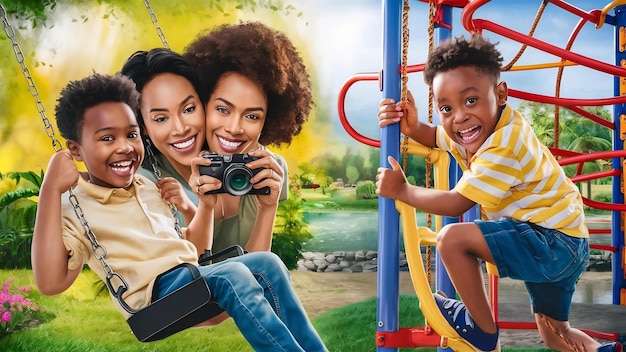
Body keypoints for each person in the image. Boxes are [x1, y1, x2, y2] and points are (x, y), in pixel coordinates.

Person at [31, 72, 328, 352]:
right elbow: (50, 283)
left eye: (132, 135)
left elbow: (193, 251)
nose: (125, 147)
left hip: (189, 278)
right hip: (154, 300)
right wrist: (49, 191)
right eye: (107, 138)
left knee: (269, 263)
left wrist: (201, 205)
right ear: (76, 150)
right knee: (233, 273)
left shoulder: (146, 185)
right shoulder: (74, 206)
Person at [376, 35, 621, 352]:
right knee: (553, 330)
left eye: (470, 101)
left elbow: (456, 203)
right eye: (446, 108)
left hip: (552, 240)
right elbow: (439, 137)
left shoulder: (505, 143)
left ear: (501, 94)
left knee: (451, 239)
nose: (460, 117)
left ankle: (482, 329)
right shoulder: (474, 130)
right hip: (568, 241)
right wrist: (413, 127)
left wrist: (403, 190)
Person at [182, 21, 313, 253]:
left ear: (268, 121)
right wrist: (204, 205)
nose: (234, 128)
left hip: (247, 287)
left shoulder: (266, 169)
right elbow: (182, 272)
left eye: (251, 116)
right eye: (223, 109)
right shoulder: (176, 168)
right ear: (203, 104)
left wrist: (268, 207)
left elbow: (260, 269)